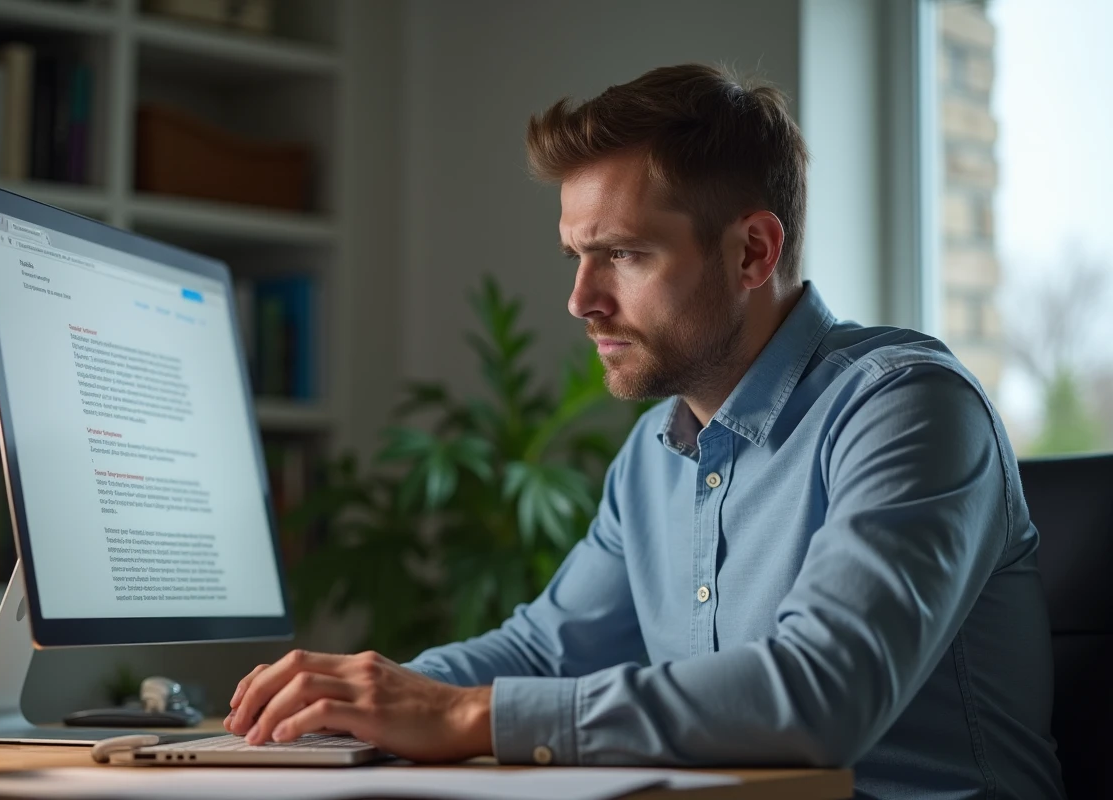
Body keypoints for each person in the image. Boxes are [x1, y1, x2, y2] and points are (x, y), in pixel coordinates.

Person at [223, 64, 1066, 799]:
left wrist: (466, 715)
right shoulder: (656, 457)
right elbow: (547, 654)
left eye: (623, 254)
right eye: (576, 257)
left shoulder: (907, 408)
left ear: (752, 252)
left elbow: (821, 696)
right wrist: (355, 700)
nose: (581, 300)